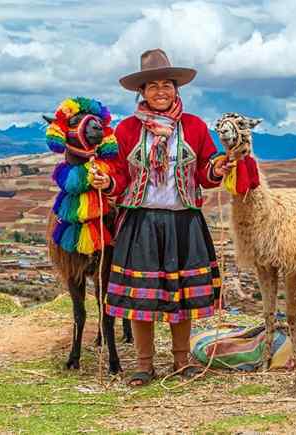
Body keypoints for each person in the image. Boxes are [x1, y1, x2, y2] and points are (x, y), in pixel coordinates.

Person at [90, 48, 231, 386]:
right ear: (142, 92)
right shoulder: (125, 131)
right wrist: (107, 181)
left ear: (176, 88)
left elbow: (205, 173)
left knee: (180, 296)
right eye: (152, 86)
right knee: (143, 297)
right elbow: (121, 176)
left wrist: (217, 167)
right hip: (142, 222)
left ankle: (182, 362)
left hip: (184, 220)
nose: (160, 92)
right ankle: (143, 365)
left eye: (166, 85)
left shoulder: (194, 127)